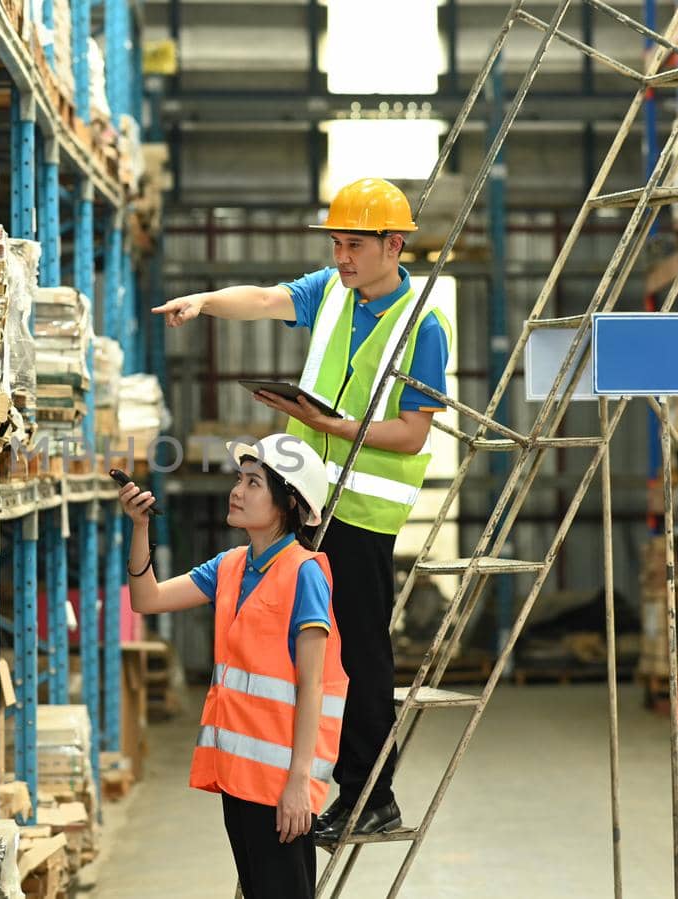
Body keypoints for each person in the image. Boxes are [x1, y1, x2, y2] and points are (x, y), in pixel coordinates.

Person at [150, 178, 451, 839]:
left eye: (353, 245)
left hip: (364, 515)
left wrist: (327, 423)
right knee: (323, 654)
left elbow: (412, 432)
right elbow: (262, 298)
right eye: (338, 245)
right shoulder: (331, 296)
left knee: (362, 655)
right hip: (314, 505)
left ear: (392, 245)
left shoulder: (421, 325)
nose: (342, 258)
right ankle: (334, 784)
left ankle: (373, 793)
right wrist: (202, 302)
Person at [118, 434, 346, 899]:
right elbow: (147, 599)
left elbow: (312, 687)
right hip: (239, 779)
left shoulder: (304, 573)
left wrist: (299, 784)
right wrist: (140, 527)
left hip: (281, 782)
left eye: (254, 483)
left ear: (287, 503)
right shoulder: (231, 566)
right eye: (240, 479)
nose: (237, 491)